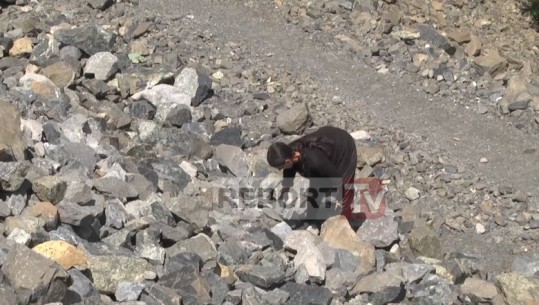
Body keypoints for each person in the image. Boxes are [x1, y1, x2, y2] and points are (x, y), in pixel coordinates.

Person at [266, 125, 358, 222]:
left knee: (345, 188)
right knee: (314, 191)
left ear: (288, 161)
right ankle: (310, 220)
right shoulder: (288, 152)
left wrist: (337, 199)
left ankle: (346, 221)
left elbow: (338, 180)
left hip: (343, 146)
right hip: (325, 146)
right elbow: (288, 174)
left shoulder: (315, 161)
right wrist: (283, 195)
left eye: (280, 167)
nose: (280, 170)